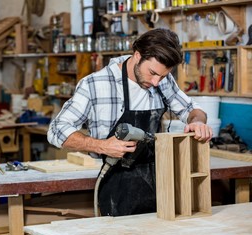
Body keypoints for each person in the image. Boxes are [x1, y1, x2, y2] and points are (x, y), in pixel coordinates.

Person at [47, 28, 213, 217]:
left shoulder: (161, 81)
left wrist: (198, 122)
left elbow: (192, 109)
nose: (157, 82)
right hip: (117, 187)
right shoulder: (95, 84)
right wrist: (101, 146)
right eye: (152, 73)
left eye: (163, 76)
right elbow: (56, 130)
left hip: (159, 181)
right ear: (137, 55)